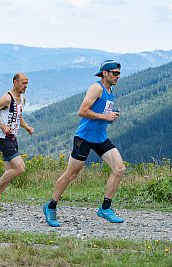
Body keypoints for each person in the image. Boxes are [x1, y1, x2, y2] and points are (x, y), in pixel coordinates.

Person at [43, 60, 126, 227]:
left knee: (119, 169)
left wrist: (110, 117)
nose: (118, 76)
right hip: (85, 138)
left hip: (100, 137)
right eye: (115, 73)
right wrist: (105, 117)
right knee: (71, 174)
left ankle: (105, 208)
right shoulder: (97, 88)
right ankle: (50, 206)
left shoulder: (110, 91)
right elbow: (82, 111)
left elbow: (101, 112)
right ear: (105, 73)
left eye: (119, 73)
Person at [0, 73, 34, 210]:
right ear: (15, 82)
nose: (26, 86)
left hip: (12, 138)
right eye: (23, 83)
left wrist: (26, 127)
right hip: (3, 138)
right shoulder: (7, 98)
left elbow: (18, 116)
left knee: (9, 173)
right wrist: (2, 126)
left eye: (27, 83)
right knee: (20, 167)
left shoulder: (21, 98)